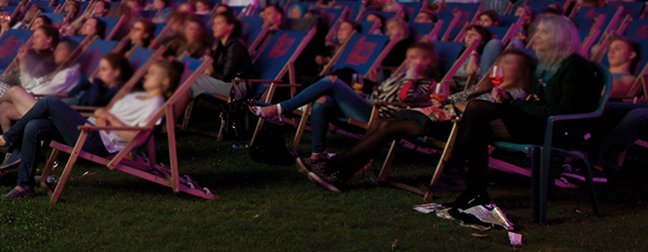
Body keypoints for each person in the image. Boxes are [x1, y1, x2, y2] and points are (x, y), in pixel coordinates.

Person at [437, 15, 603, 230]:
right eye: (538, 30)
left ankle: (456, 172)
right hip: (538, 122)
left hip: (560, 129)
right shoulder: (547, 65)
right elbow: (536, 101)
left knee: (477, 111)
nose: (537, 36)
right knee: (478, 119)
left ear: (559, 37)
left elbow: (563, 111)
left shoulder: (574, 65)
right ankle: (472, 191)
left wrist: (514, 105)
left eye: (544, 32)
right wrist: (510, 101)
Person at [298, 50, 536, 192]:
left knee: (389, 126)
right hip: (440, 116)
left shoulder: (517, 94)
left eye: (508, 63)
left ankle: (334, 167)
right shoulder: (480, 87)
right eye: (500, 61)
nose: (500, 66)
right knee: (382, 122)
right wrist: (447, 100)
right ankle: (338, 173)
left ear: (521, 70)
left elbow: (486, 114)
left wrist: (463, 104)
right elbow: (453, 98)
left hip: (458, 128)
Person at [0, 59, 181, 199]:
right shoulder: (137, 96)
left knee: (49, 102)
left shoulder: (155, 105)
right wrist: (103, 114)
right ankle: (24, 185)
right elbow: (106, 114)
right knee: (34, 125)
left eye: (153, 73)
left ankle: (6, 140)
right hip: (91, 129)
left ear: (165, 81)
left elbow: (136, 138)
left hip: (98, 143)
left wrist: (108, 116)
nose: (146, 75)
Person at [251, 42, 439, 160]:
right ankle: (318, 154)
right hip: (369, 106)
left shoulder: (426, 84)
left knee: (332, 80)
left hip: (379, 119)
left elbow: (406, 98)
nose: (409, 62)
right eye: (408, 58)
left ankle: (280, 109)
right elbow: (378, 93)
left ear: (428, 61)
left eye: (414, 58)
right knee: (323, 100)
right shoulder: (398, 78)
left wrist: (412, 76)